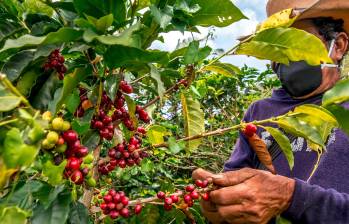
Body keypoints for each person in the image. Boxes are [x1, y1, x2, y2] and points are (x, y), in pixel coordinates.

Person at [193, 0, 349, 223]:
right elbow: (233, 187)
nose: (284, 56)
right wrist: (218, 205)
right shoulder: (259, 112)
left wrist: (292, 198)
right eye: (275, 47)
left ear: (339, 46)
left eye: (297, 41)